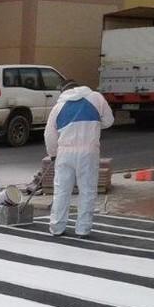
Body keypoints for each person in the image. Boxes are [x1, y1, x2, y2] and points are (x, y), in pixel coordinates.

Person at [44, 79, 114, 238]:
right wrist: (94, 126)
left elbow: (49, 134)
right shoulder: (96, 98)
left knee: (62, 190)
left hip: (64, 152)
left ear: (64, 91)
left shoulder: (58, 107)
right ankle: (83, 229)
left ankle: (57, 227)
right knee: (87, 190)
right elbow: (109, 121)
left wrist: (53, 154)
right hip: (89, 151)